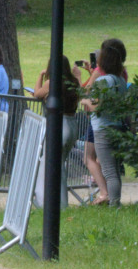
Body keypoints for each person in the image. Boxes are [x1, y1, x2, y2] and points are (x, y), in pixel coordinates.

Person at [79, 39, 128, 206]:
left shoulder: (103, 81)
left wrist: (85, 102)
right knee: (113, 169)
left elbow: (97, 106)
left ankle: (114, 204)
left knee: (109, 170)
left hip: (102, 128)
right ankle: (116, 201)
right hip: (117, 126)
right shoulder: (120, 80)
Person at [32, 55, 82, 208]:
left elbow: (37, 94)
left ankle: (52, 203)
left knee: (49, 166)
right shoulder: (73, 82)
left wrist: (40, 75)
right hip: (72, 124)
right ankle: (57, 201)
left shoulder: (51, 82)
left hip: (59, 126)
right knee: (59, 165)